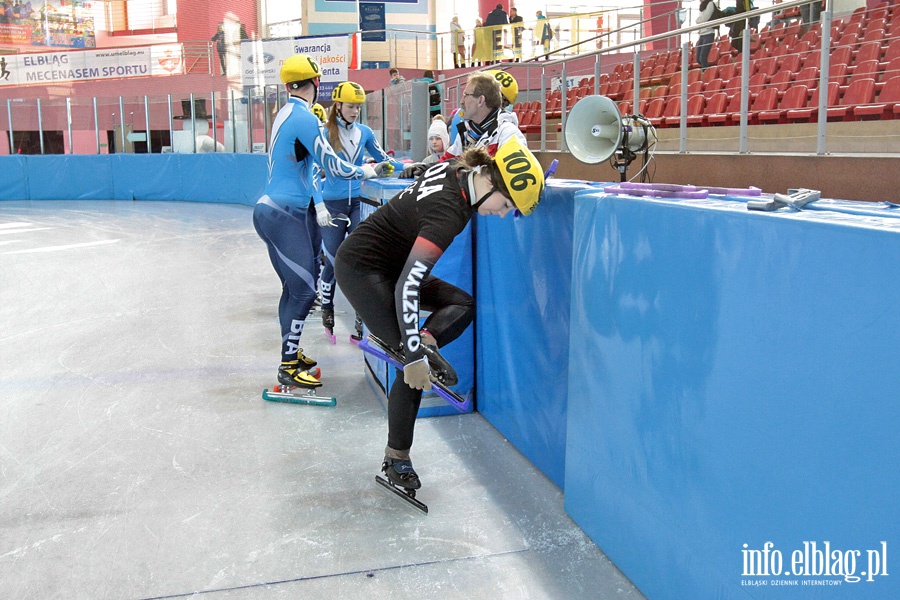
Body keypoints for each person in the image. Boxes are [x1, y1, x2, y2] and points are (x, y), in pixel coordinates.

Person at [334, 136, 546, 493]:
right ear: (492, 181)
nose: (504, 213)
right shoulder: (449, 212)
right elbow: (407, 288)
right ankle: (396, 457)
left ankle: (426, 345)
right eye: (507, 203)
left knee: (461, 304)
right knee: (410, 367)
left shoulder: (460, 173)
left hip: (391, 266)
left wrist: (421, 345)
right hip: (363, 270)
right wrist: (413, 355)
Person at [253, 54, 392, 390]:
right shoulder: (302, 117)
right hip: (285, 212)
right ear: (316, 83)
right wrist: (367, 170)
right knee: (305, 290)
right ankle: (287, 365)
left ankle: (292, 352)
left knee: (294, 289)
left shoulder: (284, 113)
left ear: (288, 85)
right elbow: (332, 163)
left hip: (276, 209)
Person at [318, 81, 404, 338]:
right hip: (332, 204)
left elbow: (384, 160)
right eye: (351, 106)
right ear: (338, 106)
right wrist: (319, 204)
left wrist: (411, 166)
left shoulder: (364, 132)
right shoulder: (323, 134)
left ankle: (361, 313)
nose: (355, 111)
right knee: (333, 261)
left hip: (357, 202)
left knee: (361, 261)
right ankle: (326, 307)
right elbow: (313, 172)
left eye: (358, 107)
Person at [401, 71, 524, 178]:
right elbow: (447, 162)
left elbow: (510, 180)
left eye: (466, 95)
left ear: (480, 100)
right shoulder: (467, 133)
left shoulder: (508, 134)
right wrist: (424, 168)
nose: (461, 101)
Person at [696, 0, 720, 70]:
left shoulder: (710, 4)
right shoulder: (701, 6)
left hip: (709, 33)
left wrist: (697, 21)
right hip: (702, 34)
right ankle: (708, 71)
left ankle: (709, 72)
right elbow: (702, 19)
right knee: (698, 59)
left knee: (703, 58)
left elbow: (704, 18)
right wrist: (699, 20)